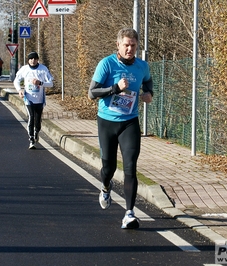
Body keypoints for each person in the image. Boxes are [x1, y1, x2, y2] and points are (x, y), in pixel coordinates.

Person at [88, 28, 153, 229]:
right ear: (118, 45)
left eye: (133, 45)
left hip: (129, 122)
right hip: (107, 122)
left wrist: (149, 92)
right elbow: (92, 93)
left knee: (130, 166)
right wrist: (116, 88)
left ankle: (129, 213)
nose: (129, 49)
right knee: (109, 168)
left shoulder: (142, 66)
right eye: (126, 45)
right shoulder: (106, 64)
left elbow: (148, 81)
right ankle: (106, 186)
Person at [13, 52, 54, 149]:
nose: (33, 60)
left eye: (35, 59)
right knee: (31, 117)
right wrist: (19, 90)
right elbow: (16, 80)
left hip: (39, 99)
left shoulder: (43, 69)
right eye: (31, 59)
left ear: (38, 59)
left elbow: (51, 83)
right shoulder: (24, 69)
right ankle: (31, 139)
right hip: (28, 98)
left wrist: (40, 82)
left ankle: (36, 132)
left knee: (38, 120)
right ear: (28, 60)